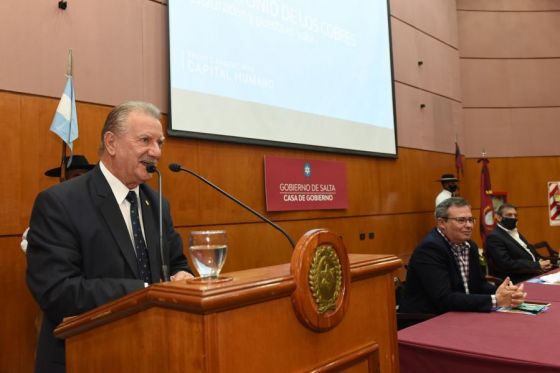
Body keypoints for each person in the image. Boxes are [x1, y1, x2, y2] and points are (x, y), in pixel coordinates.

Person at [26, 101, 193, 373]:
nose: (156, 152)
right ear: (111, 143)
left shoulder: (158, 203)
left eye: (160, 142)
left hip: (152, 352)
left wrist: (183, 278)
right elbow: (57, 291)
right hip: (84, 357)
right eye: (145, 140)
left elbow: (176, 264)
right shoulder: (60, 202)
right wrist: (146, 291)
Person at [400, 197, 526, 316]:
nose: (469, 225)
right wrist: (495, 300)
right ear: (442, 223)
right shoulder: (430, 249)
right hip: (427, 320)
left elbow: (479, 285)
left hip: (459, 312)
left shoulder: (470, 246)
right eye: (461, 220)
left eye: (471, 220)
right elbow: (444, 298)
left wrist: (505, 293)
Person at [21, 155, 95, 253]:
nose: (81, 181)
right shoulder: (52, 207)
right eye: (76, 176)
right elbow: (30, 244)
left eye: (85, 176)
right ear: (63, 179)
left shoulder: (98, 204)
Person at [485, 203, 552, 283]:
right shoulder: (494, 237)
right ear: (499, 217)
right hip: (517, 279)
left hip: (534, 272)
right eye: (509, 215)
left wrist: (541, 262)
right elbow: (506, 264)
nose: (513, 218)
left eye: (515, 215)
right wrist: (537, 265)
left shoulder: (514, 232)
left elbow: (529, 250)